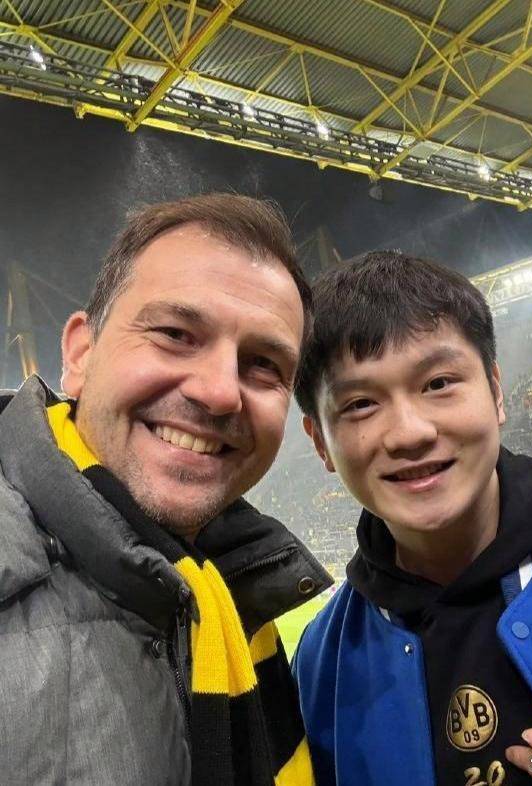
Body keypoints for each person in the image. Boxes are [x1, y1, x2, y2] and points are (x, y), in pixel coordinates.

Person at [0, 194, 331, 785]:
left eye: (263, 364)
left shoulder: (233, 585)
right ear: (79, 353)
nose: (220, 392)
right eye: (176, 333)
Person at [293, 250, 532, 786]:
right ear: (320, 442)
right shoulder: (322, 663)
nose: (410, 432)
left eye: (438, 383)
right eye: (360, 404)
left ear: (496, 391)